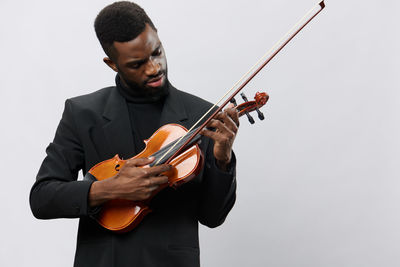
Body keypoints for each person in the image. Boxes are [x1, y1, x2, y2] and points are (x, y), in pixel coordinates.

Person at [30, 2, 239, 267]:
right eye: (137, 64)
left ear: (158, 37)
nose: (153, 68)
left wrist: (222, 160)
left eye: (157, 52)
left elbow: (213, 217)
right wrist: (109, 188)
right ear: (112, 64)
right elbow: (42, 198)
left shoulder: (202, 115)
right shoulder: (82, 113)